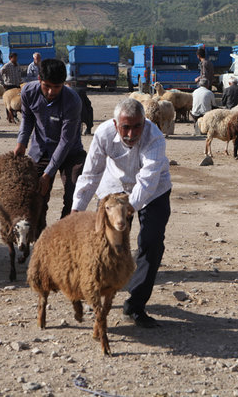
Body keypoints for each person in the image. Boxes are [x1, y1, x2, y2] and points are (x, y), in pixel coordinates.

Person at [72, 98, 172, 328]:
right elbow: (91, 172)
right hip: (114, 187)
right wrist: (77, 208)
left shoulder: (154, 137)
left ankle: (135, 306)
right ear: (116, 123)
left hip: (154, 190)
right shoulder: (104, 134)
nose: (131, 133)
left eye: (137, 126)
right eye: (125, 127)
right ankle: (95, 290)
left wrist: (128, 212)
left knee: (151, 241)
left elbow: (147, 181)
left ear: (144, 122)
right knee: (103, 243)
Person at [14, 58, 86, 230]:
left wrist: (48, 174)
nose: (52, 91)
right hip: (41, 150)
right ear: (39, 79)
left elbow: (66, 140)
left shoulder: (73, 101)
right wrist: (22, 142)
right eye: (47, 86)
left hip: (70, 152)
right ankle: (40, 240)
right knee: (36, 197)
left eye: (57, 87)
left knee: (74, 195)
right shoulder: (28, 92)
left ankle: (64, 234)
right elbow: (27, 119)